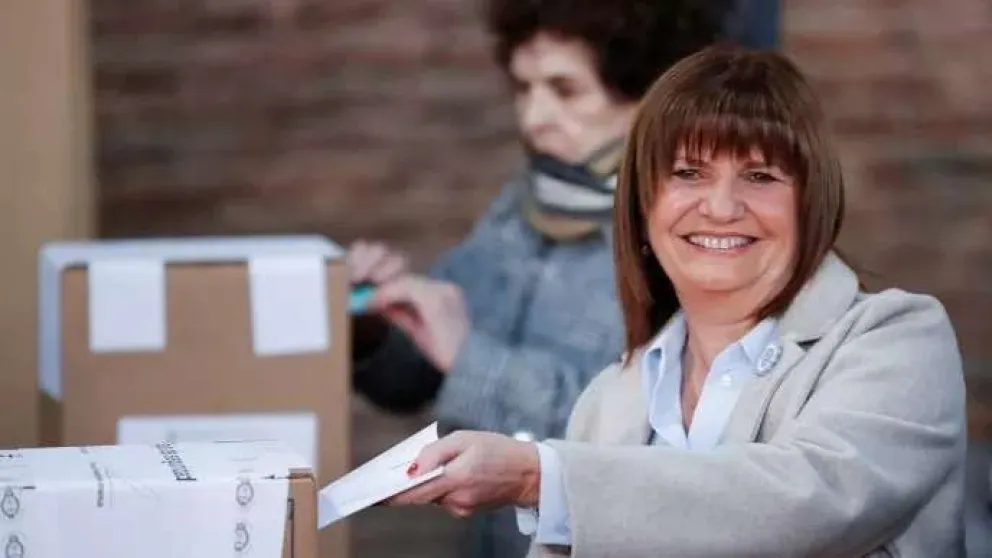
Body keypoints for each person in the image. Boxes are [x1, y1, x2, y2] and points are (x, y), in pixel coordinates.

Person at [388, 46, 968, 557]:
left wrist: (543, 476)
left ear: (810, 203)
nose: (720, 207)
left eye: (760, 176)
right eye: (688, 173)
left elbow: (808, 502)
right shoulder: (609, 398)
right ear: (643, 208)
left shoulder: (896, 340)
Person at [348, 1, 730, 557]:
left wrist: (470, 359)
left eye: (565, 90)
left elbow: (650, 430)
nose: (533, 119)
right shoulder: (528, 202)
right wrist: (372, 326)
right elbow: (422, 374)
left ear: (652, 96)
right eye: (525, 89)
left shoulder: (694, 234)